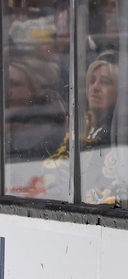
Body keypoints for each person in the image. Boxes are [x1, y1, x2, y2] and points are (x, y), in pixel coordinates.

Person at [43, 52, 120, 204]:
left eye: (104, 82)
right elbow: (50, 174)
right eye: (92, 81)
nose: (95, 87)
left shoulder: (117, 135)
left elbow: (99, 193)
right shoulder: (81, 126)